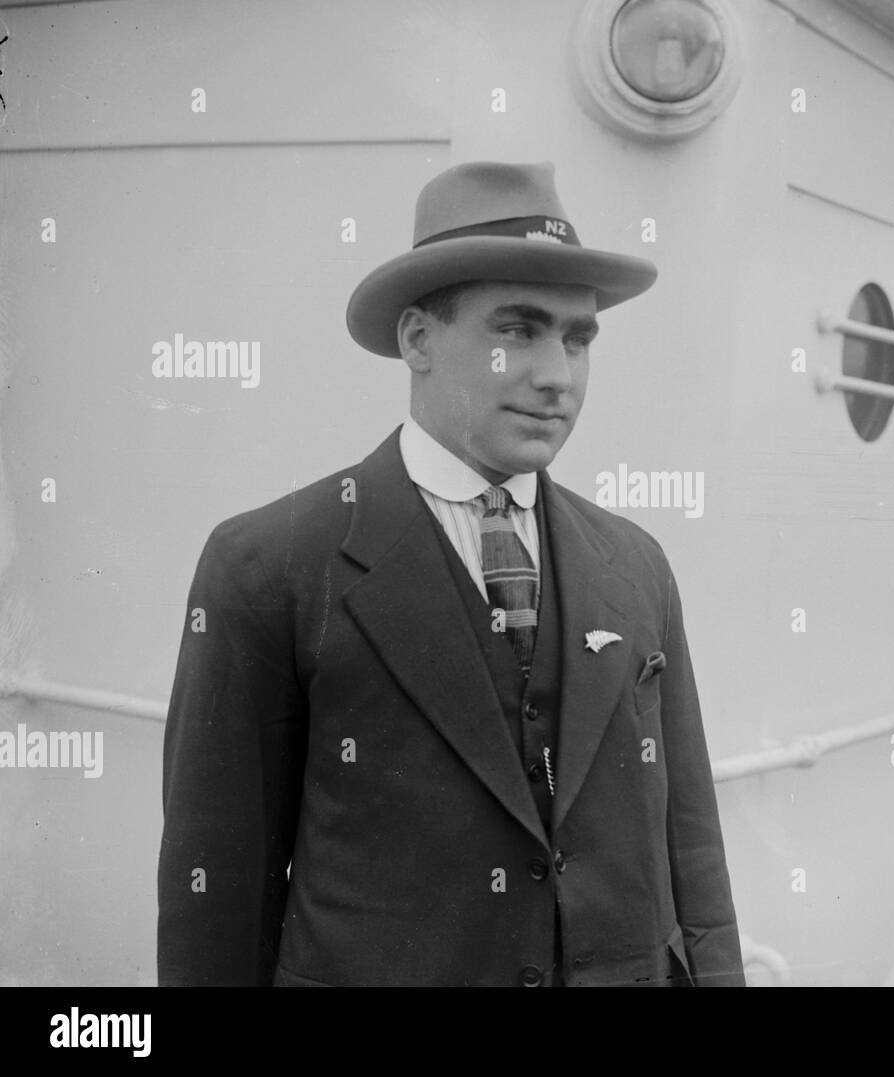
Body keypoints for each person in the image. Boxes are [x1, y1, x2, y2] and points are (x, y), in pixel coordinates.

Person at [156, 161, 745, 987]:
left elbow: (692, 852)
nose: (557, 376)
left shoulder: (636, 563)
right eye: (519, 329)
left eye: (578, 339)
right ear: (418, 340)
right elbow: (216, 899)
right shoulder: (269, 565)